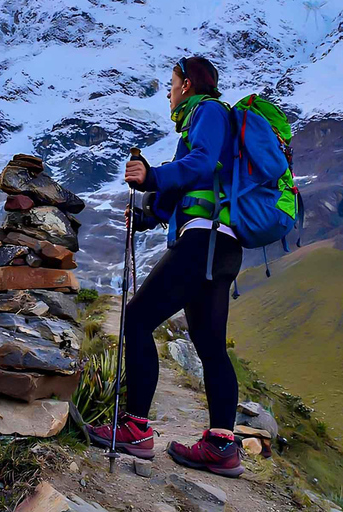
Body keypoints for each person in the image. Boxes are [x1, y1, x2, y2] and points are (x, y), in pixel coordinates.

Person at [87, 56, 245, 478]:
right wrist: (148, 214)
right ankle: (221, 445)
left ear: (188, 84)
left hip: (202, 243)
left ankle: (136, 429)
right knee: (210, 347)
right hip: (222, 245)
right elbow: (187, 186)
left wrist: (152, 175)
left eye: (171, 83)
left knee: (137, 318)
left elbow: (204, 164)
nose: (169, 91)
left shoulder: (208, 112)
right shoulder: (203, 119)